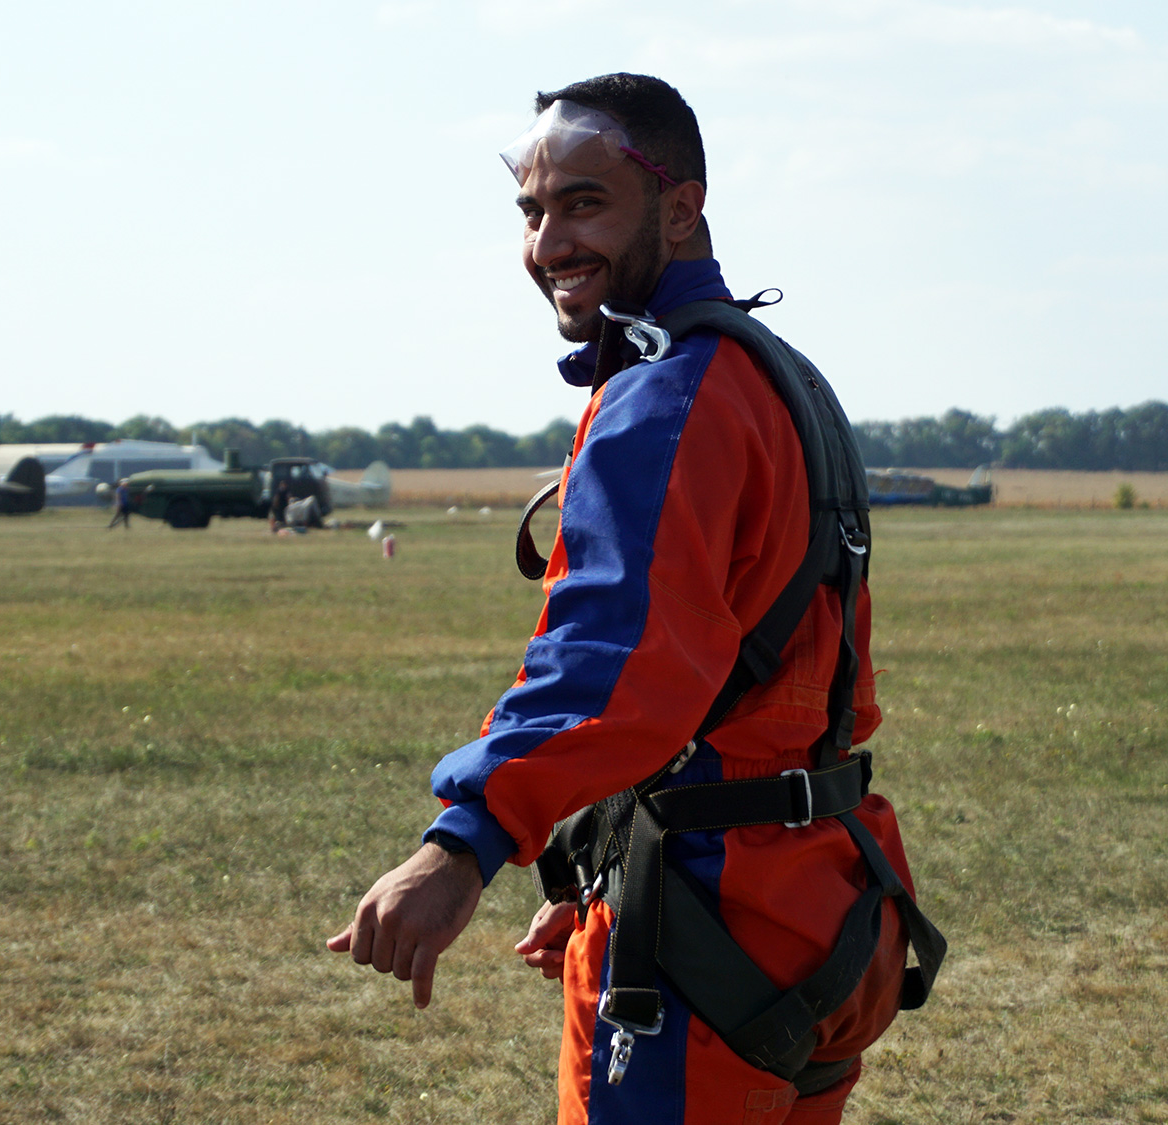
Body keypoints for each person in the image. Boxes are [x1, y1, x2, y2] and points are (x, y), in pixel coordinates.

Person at [328, 74, 935, 1123]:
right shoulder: (776, 374)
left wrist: (463, 843)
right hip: (827, 901)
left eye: (585, 203)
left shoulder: (667, 394)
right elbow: (742, 673)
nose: (548, 242)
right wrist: (600, 857)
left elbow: (615, 664)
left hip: (713, 923)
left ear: (680, 207)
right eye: (532, 211)